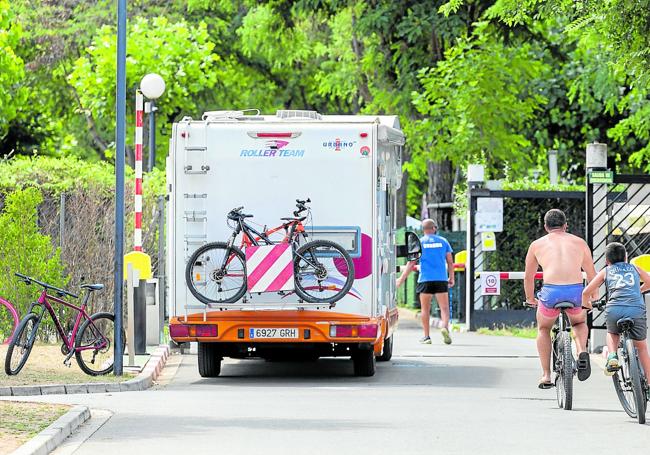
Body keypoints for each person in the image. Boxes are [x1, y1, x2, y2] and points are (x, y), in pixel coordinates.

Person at [524, 209, 597, 389]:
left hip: (551, 293)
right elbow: (591, 274)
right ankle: (581, 351)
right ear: (566, 225)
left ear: (545, 226)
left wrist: (530, 298)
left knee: (543, 328)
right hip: (576, 293)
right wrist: (594, 297)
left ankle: (546, 375)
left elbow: (529, 276)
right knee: (579, 323)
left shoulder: (537, 244)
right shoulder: (579, 243)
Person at [581, 242, 650, 378]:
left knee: (612, 333)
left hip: (614, 309)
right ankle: (649, 381)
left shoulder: (606, 271)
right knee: (641, 347)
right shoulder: (634, 268)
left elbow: (585, 293)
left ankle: (612, 356)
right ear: (626, 257)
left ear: (607, 261)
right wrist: (639, 290)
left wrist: (587, 305)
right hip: (635, 309)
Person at [397, 218, 454, 345]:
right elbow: (450, 262)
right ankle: (444, 328)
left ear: (423, 230)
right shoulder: (443, 241)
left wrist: (401, 279)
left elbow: (411, 263)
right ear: (434, 228)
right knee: (444, 309)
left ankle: (427, 336)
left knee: (425, 309)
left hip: (425, 280)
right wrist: (451, 278)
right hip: (441, 279)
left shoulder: (420, 242)